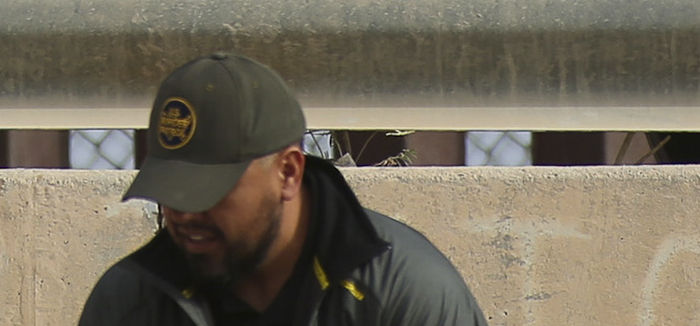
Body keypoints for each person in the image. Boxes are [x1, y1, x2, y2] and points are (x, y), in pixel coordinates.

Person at [82, 53, 486, 326]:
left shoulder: (403, 293)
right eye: (171, 192)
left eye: (209, 192)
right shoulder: (130, 302)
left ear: (288, 172)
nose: (185, 214)